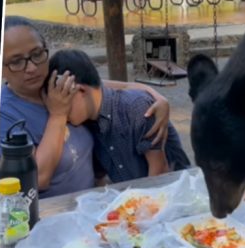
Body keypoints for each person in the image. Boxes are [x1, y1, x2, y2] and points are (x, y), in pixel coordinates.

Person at [0, 16, 171, 198]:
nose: (32, 68)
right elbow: (37, 179)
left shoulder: (56, 82)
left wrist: (159, 99)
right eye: (16, 61)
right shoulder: (7, 113)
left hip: (93, 205)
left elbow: (102, 88)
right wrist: (58, 115)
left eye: (37, 54)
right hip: (50, 214)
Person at [49, 49, 191, 183]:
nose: (60, 110)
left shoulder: (137, 108)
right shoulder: (88, 122)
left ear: (80, 90)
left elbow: (159, 171)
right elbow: (99, 176)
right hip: (132, 197)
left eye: (63, 102)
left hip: (171, 193)